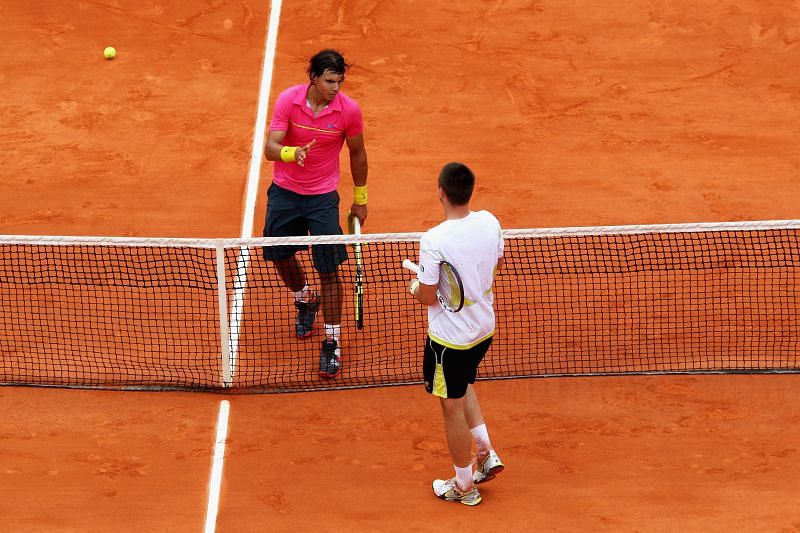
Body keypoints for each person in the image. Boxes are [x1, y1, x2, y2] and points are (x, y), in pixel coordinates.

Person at [262, 49, 368, 379]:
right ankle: (305, 299)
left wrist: (360, 199)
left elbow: (357, 152)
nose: (336, 88)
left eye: (340, 81)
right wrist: (294, 153)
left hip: (322, 198)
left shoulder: (349, 110)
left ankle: (331, 343)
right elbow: (270, 148)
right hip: (285, 192)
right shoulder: (288, 101)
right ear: (314, 77)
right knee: (279, 255)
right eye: (329, 81)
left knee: (329, 270)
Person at [409, 162, 505, 506]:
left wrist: (414, 287)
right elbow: (493, 265)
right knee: (464, 385)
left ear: (441, 192)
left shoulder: (434, 240)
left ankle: (464, 486)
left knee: (450, 408)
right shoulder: (490, 222)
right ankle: (485, 452)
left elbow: (428, 295)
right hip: (483, 330)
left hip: (449, 342)